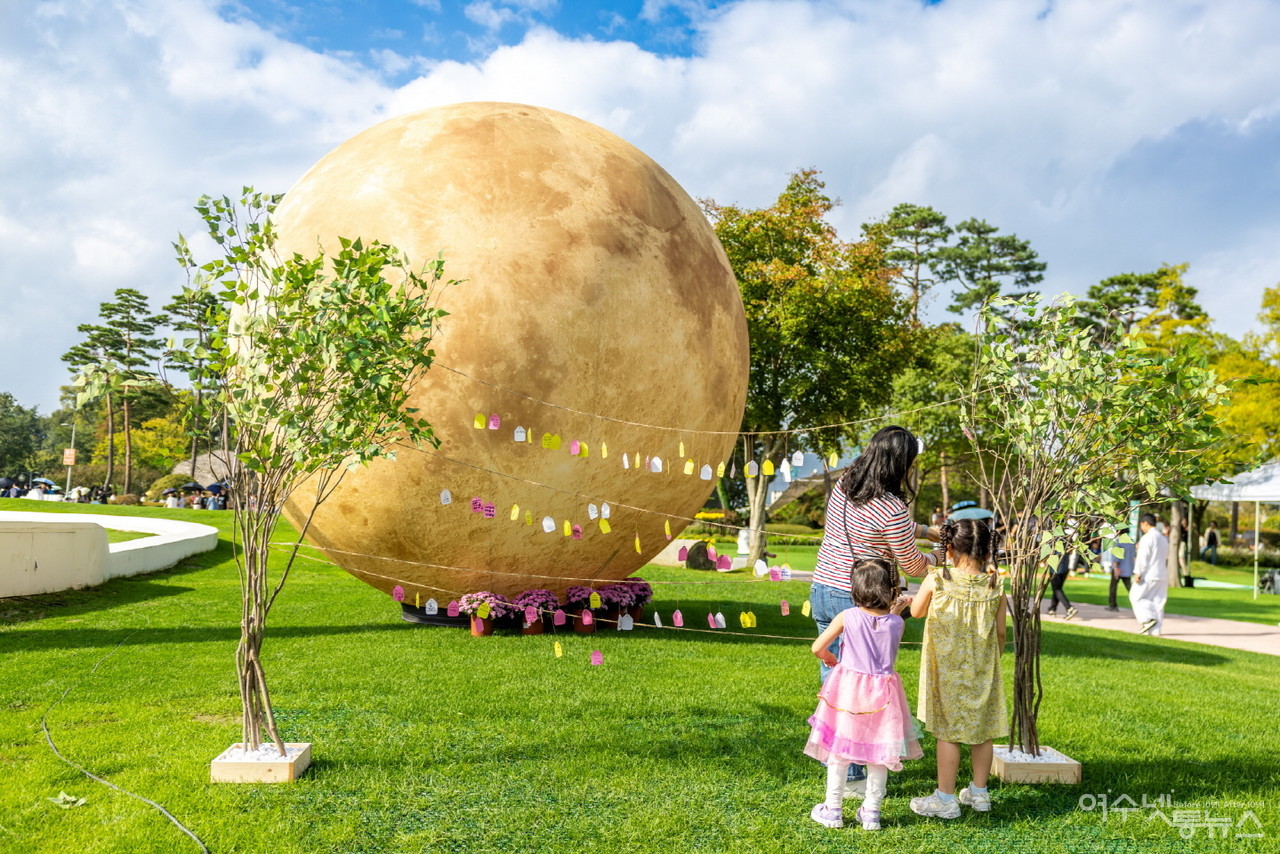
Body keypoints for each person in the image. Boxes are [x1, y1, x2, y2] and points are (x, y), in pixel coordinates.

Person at [810, 426, 942, 793]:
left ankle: (838, 764)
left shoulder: (847, 484)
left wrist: (923, 530)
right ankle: (854, 774)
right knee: (863, 686)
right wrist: (939, 555)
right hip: (859, 599)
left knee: (835, 681)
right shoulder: (892, 507)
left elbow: (880, 524)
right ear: (901, 463)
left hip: (823, 588)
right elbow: (913, 565)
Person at [805, 558, 923, 831]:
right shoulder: (897, 623)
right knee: (879, 754)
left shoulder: (847, 617)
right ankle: (871, 813)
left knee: (839, 750)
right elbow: (884, 626)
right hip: (883, 698)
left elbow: (817, 647)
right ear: (890, 590)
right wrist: (896, 609)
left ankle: (832, 809)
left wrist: (830, 657)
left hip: (848, 694)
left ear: (856, 589)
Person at [909, 518, 1008, 819]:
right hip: (983, 667)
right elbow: (1001, 633)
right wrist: (992, 659)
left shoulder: (937, 579)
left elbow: (916, 612)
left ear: (949, 548)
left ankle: (945, 798)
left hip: (945, 668)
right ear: (987, 551)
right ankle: (979, 793)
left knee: (947, 732)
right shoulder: (995, 585)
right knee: (984, 730)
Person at [1130, 513, 1169, 636]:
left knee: (1135, 597)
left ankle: (1147, 619)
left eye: (1141, 525)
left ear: (1145, 523)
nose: (1141, 527)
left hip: (1149, 574)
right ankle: (1155, 630)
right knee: (1158, 602)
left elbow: (1143, 557)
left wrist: (1138, 572)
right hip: (1161, 573)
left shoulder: (1147, 538)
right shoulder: (1163, 538)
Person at [1044, 550, 1078, 620]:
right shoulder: (1067, 542)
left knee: (1057, 589)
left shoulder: (1054, 542)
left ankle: (1069, 608)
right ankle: (1052, 609)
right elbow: (1071, 551)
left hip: (1056, 568)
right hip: (1065, 567)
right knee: (1057, 589)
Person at [1106, 538, 1135, 611]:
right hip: (1128, 569)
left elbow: (1116, 556)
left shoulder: (1118, 541)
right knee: (1130, 589)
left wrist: (1115, 568)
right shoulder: (1131, 542)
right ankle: (1139, 604)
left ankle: (1113, 606)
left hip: (1118, 569)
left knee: (1113, 588)